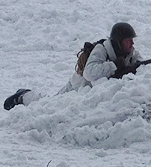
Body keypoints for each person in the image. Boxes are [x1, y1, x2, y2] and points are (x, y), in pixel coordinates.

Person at [4, 22, 142, 110]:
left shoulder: (131, 53)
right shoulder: (102, 49)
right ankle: (24, 96)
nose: (132, 43)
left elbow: (143, 67)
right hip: (77, 88)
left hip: (90, 96)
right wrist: (113, 65)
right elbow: (89, 73)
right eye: (128, 40)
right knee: (48, 106)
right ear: (118, 42)